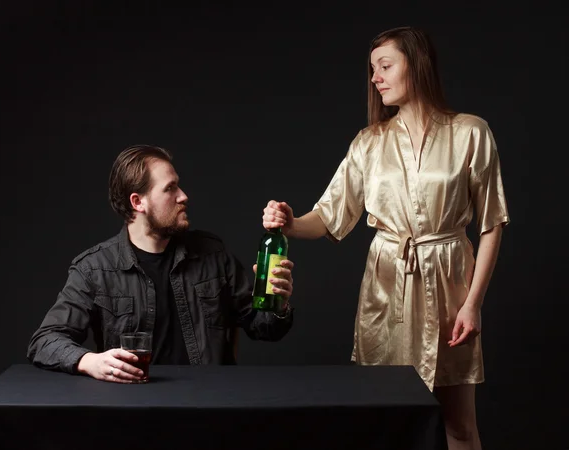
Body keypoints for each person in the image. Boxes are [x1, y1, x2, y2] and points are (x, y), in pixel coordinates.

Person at [262, 26, 509, 450]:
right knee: (384, 424)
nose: (375, 78)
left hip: (449, 286)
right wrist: (289, 222)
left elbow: (491, 224)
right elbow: (327, 216)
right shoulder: (369, 143)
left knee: (459, 425)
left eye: (385, 65)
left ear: (418, 64)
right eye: (372, 69)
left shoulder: (471, 132)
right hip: (387, 286)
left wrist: (473, 304)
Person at [28, 144, 294, 384]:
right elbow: (44, 341)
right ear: (138, 202)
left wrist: (278, 303)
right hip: (132, 412)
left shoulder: (212, 253)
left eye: (178, 185)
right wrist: (91, 362)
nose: (183, 196)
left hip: (209, 407)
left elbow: (265, 329)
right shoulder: (94, 269)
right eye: (170, 188)